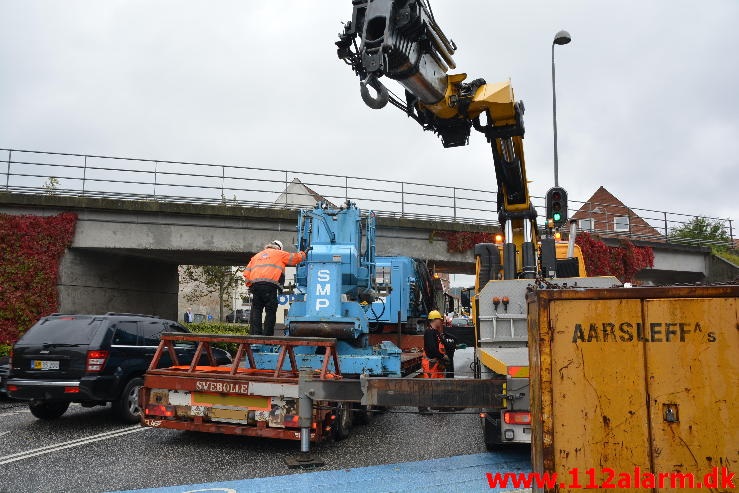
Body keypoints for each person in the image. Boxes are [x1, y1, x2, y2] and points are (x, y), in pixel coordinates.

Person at [244, 240, 306, 336]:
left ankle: (256, 335)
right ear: (279, 248)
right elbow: (295, 258)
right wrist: (304, 253)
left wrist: (251, 286)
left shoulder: (256, 256)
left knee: (256, 310)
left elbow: (246, 273)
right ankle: (267, 336)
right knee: (270, 311)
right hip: (269, 286)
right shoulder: (279, 254)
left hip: (256, 286)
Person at [418, 309, 449, 414]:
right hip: (430, 363)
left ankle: (438, 405)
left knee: (439, 384)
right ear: (434, 320)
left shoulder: (435, 332)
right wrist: (442, 356)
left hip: (437, 363)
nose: (440, 321)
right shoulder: (429, 332)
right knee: (429, 385)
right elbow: (431, 349)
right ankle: (422, 408)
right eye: (439, 319)